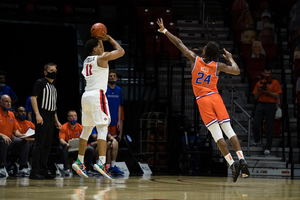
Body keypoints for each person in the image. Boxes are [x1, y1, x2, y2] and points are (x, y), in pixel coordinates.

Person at [156, 18, 250, 182]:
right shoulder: (217, 66)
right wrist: (230, 58)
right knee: (229, 131)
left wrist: (164, 31)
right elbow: (236, 71)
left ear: (205, 52)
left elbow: (179, 43)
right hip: (215, 97)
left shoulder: (195, 59)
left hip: (203, 100)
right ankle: (242, 159)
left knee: (217, 135)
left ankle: (231, 164)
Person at [72, 34, 125, 179]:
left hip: (86, 96)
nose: (102, 47)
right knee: (103, 128)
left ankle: (80, 161)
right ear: (95, 48)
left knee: (87, 130)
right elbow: (121, 51)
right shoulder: (101, 58)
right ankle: (101, 163)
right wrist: (109, 38)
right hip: (98, 95)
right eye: (99, 45)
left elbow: (100, 50)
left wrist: (100, 39)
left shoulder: (86, 60)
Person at [29, 63, 62, 180]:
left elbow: (54, 105)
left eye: (55, 70)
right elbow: (33, 98)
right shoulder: (40, 82)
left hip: (51, 116)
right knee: (39, 144)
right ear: (45, 72)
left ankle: (43, 170)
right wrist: (37, 114)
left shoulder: (53, 86)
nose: (54, 72)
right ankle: (34, 170)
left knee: (47, 145)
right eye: (51, 70)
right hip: (42, 114)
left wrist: (56, 121)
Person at [251, 67, 282, 155]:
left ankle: (268, 147)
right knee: (255, 124)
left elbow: (277, 96)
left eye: (269, 73)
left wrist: (268, 92)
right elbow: (255, 97)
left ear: (271, 74)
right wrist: (260, 92)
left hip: (271, 106)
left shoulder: (275, 82)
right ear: (263, 73)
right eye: (266, 73)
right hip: (260, 105)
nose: (267, 75)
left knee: (269, 127)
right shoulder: (259, 83)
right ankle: (257, 141)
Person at [0, 95, 30, 177]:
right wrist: (3, 135)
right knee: (3, 141)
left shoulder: (11, 114)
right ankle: (1, 168)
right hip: (1, 141)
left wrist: (21, 135)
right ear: (1, 102)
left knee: (24, 142)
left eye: (10, 102)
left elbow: (15, 130)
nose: (9, 103)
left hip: (9, 141)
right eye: (6, 101)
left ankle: (23, 168)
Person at [58, 110, 94, 177]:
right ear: (68, 118)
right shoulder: (64, 127)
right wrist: (66, 144)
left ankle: (88, 169)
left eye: (75, 116)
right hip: (68, 148)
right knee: (61, 148)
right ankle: (66, 169)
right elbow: (61, 140)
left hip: (78, 149)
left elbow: (84, 139)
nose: (73, 118)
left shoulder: (80, 127)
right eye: (71, 116)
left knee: (90, 149)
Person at [106, 69, 123, 142]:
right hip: (105, 121)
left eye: (114, 76)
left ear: (116, 78)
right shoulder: (104, 89)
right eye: (110, 76)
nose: (112, 77)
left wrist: (119, 121)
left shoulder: (119, 90)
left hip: (114, 122)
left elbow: (119, 106)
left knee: (113, 143)